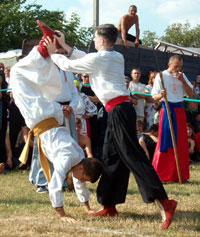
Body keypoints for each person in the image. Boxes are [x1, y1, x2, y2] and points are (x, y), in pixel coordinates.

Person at [45, 23, 177, 229]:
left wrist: (54, 52)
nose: (94, 42)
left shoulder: (101, 58)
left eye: (96, 39)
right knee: (110, 157)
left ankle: (165, 202)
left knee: (132, 156)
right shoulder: (115, 56)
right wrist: (65, 46)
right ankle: (109, 204)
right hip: (118, 110)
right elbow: (83, 58)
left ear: (102, 41)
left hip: (118, 111)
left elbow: (70, 65)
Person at [10, 20, 103, 222]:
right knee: (17, 74)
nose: (81, 181)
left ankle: (44, 46)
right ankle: (44, 46)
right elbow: (57, 184)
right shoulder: (70, 158)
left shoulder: (79, 156)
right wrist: (61, 215)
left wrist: (86, 207)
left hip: (53, 114)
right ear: (81, 169)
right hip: (43, 115)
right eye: (83, 177)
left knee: (24, 77)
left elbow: (80, 182)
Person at [151, 55, 193, 183]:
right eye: (176, 66)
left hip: (179, 110)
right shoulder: (161, 76)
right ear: (169, 64)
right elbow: (154, 97)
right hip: (167, 109)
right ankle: (161, 174)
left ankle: (180, 175)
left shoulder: (181, 75)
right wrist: (161, 95)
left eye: (180, 67)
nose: (177, 69)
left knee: (180, 142)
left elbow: (190, 94)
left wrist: (183, 81)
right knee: (165, 141)